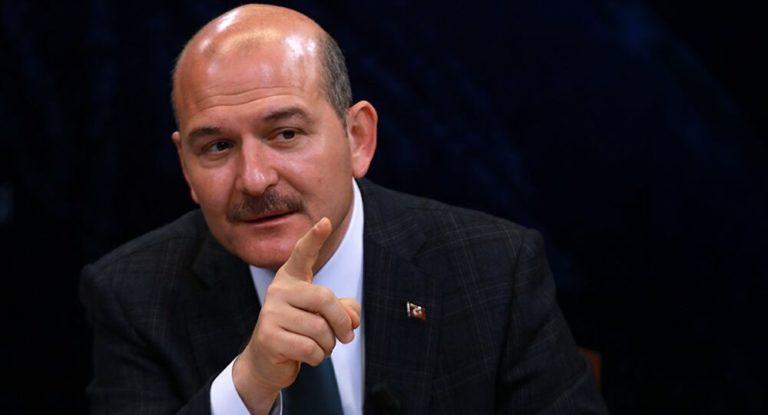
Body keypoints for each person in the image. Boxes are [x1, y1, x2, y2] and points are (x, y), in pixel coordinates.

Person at [80, 4, 608, 414]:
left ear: (358, 138)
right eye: (217, 146)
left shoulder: (494, 268)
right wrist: (247, 387)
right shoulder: (134, 294)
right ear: (185, 167)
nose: (255, 179)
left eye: (285, 134)